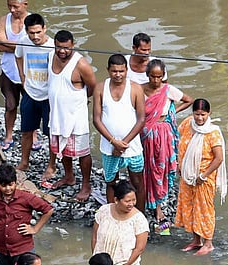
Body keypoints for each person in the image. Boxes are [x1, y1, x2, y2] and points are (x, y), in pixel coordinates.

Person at [45, 30, 96, 202]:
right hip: (56, 114)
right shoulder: (50, 56)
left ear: (73, 45)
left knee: (82, 152)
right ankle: (69, 176)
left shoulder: (81, 64)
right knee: (62, 148)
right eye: (58, 47)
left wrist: (79, 100)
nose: (62, 51)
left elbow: (92, 86)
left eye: (66, 48)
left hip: (76, 116)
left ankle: (86, 184)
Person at [140, 59, 191, 233]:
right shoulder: (139, 90)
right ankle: (147, 201)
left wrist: (172, 112)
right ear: (147, 75)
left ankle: (158, 204)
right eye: (152, 76)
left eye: (159, 77)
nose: (156, 80)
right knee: (147, 167)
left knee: (160, 169)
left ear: (163, 76)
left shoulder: (168, 90)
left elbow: (188, 100)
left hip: (163, 133)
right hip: (146, 134)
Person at [0, 163, 53, 265]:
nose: (8, 189)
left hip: (22, 248)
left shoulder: (26, 198)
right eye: (3, 186)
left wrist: (35, 228)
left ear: (16, 182)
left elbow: (48, 210)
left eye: (11, 184)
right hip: (2, 248)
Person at [176, 98, 227, 255]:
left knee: (204, 209)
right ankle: (196, 240)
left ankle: (208, 243)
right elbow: (179, 141)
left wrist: (203, 176)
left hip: (204, 178)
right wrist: (179, 165)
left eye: (203, 115)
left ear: (209, 113)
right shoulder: (187, 124)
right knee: (190, 206)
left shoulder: (212, 133)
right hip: (187, 175)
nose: (199, 118)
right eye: (197, 114)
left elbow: (218, 158)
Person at [92, 54, 146, 202]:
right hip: (109, 147)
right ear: (108, 70)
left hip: (132, 147)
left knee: (137, 183)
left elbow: (141, 119)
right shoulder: (100, 88)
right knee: (111, 182)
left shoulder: (135, 88)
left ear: (126, 70)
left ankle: (139, 213)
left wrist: (122, 144)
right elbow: (96, 119)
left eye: (121, 71)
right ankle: (111, 212)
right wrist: (113, 142)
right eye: (114, 71)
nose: (118, 74)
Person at [13, 13, 54, 178]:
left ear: (44, 29)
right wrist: (22, 77)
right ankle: (24, 161)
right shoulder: (23, 41)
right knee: (26, 130)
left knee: (51, 134)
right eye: (32, 33)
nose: (35, 36)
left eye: (38, 32)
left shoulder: (53, 46)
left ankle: (51, 165)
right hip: (30, 92)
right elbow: (18, 56)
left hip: (49, 95)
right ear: (26, 31)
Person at [0, 0, 29, 150]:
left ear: (25, 4)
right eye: (10, 6)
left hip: (28, 71)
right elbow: (0, 47)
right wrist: (22, 46)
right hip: (8, 69)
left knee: (30, 105)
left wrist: (6, 42)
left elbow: (33, 45)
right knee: (10, 105)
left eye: (16, 6)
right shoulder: (3, 20)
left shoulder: (32, 21)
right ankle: (8, 135)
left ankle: (32, 135)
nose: (12, 10)